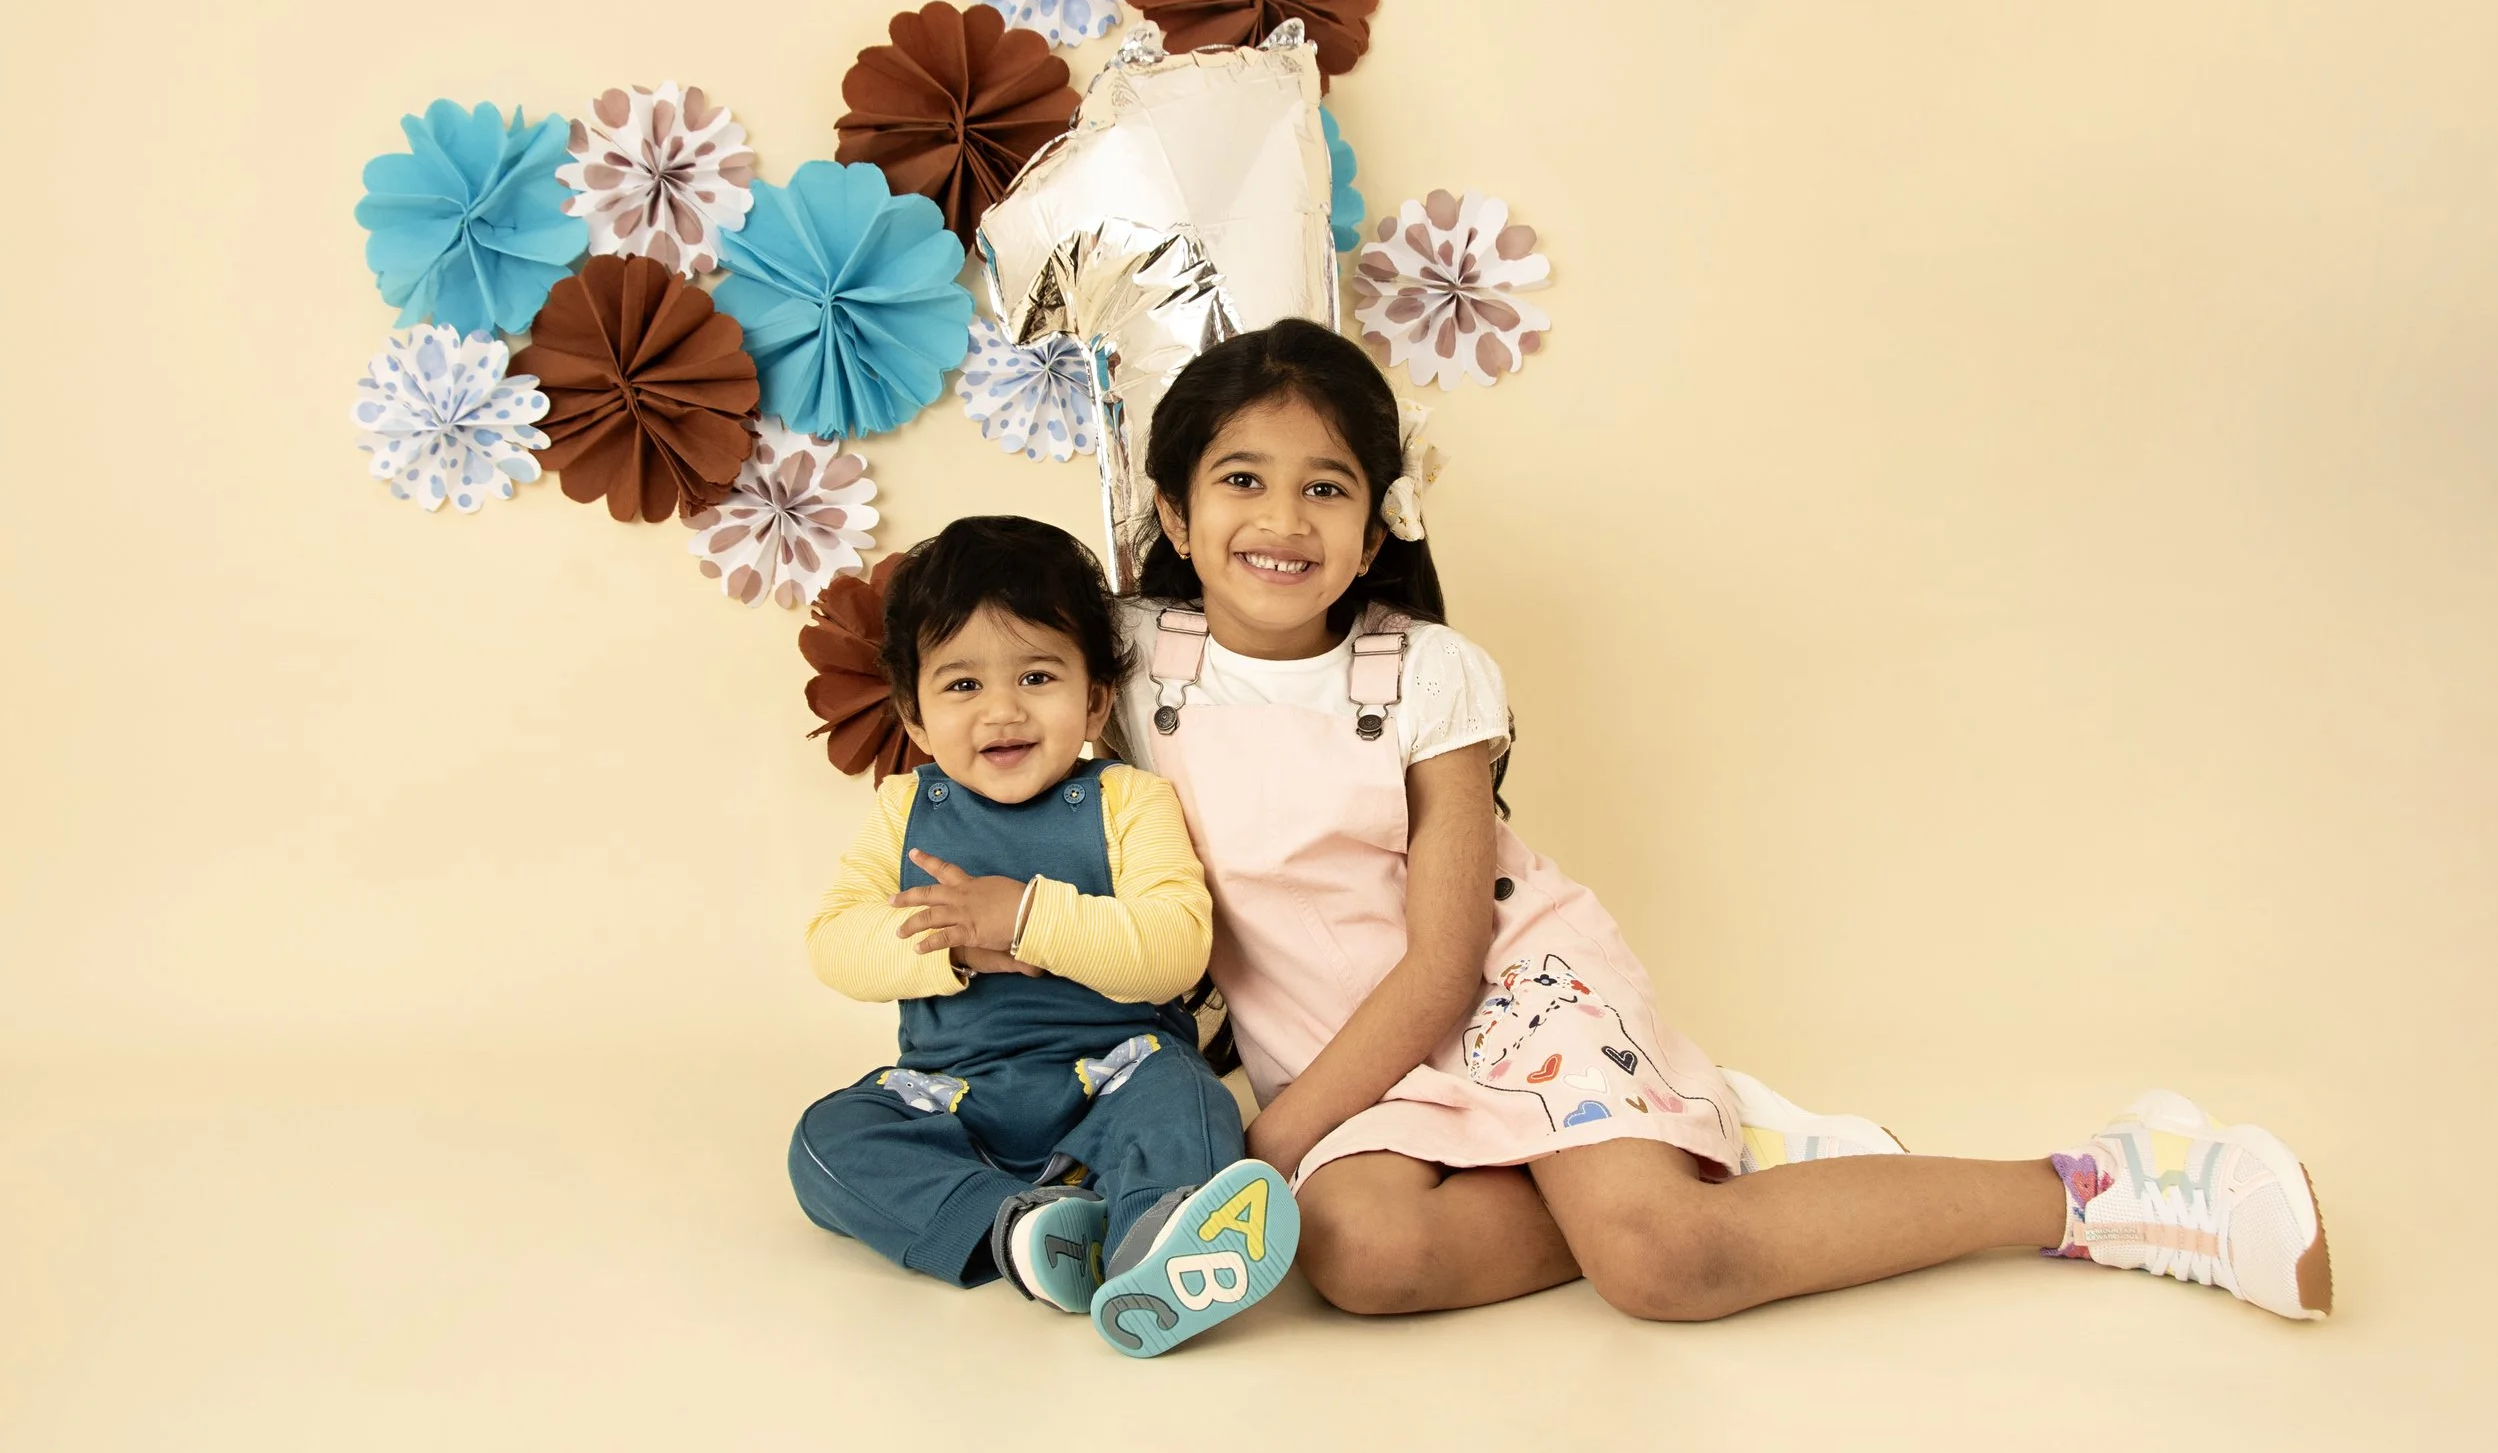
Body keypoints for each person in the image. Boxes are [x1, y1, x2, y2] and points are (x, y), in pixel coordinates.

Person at [1111, 319, 2331, 1324]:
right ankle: (1720, 1153)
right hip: (1345, 1062)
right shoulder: (1123, 661)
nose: (1282, 521)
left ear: (1375, 530)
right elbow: (958, 657)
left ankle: (2103, 1186)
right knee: (1361, 1256)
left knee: (1661, 1265)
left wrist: (1260, 1145)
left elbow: (1441, 969)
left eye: (1325, 488)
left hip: (1502, 992)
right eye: (1241, 482)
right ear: (1173, 517)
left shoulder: (1427, 675)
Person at [788, 515, 1297, 1357]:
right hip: (956, 1093)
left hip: (1115, 1075)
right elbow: (833, 939)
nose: (1003, 711)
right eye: (962, 687)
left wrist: (1027, 916)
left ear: (1095, 699)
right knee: (825, 1143)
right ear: (913, 718)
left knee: (1191, 1100)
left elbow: (1176, 949)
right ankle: (1022, 1232)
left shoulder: (1128, 801)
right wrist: (951, 945)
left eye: (1036, 675)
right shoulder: (905, 810)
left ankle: (1155, 1240)